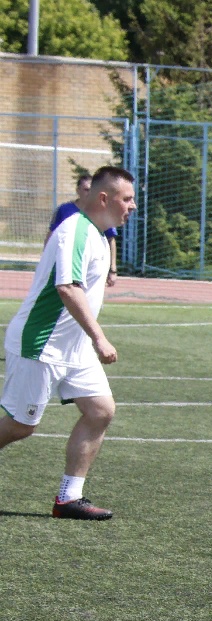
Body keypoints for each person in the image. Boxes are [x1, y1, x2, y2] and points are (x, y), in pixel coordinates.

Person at [1, 166, 137, 519]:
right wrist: (99, 337)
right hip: (41, 343)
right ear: (104, 198)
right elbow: (67, 288)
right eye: (127, 198)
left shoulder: (99, 234)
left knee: (100, 411)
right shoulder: (76, 231)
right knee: (20, 426)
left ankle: (68, 498)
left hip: (73, 349)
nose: (133, 206)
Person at [51, 173, 118, 287]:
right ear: (78, 190)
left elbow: (110, 239)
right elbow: (52, 235)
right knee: (67, 291)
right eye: (86, 190)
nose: (89, 193)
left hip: (93, 263)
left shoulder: (103, 211)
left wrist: (112, 269)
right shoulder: (64, 210)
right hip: (67, 262)